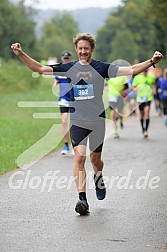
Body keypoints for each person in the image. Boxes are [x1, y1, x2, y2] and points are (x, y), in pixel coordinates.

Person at [11, 33, 163, 215]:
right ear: (76, 49)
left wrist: (151, 62)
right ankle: (82, 199)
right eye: (80, 48)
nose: (83, 51)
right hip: (78, 120)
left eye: (86, 48)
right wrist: (21, 54)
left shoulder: (101, 67)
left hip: (97, 120)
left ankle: (98, 176)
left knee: (95, 160)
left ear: (91, 49)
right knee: (79, 157)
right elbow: (41, 69)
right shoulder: (68, 68)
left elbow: (129, 70)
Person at [53, 51, 73, 155]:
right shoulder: (58, 71)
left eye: (67, 59)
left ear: (70, 59)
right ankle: (65, 145)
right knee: (64, 121)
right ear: (62, 59)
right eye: (64, 59)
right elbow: (56, 80)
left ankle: (75, 145)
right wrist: (55, 83)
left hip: (74, 100)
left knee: (75, 123)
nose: (66, 60)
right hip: (63, 99)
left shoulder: (74, 70)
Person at [132, 69, 155, 138]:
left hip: (148, 98)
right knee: (142, 115)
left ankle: (146, 130)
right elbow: (133, 87)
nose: (145, 72)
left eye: (146, 71)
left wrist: (153, 90)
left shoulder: (151, 77)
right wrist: (135, 89)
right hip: (140, 98)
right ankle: (143, 128)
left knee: (147, 113)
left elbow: (153, 85)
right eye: (144, 71)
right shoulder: (137, 78)